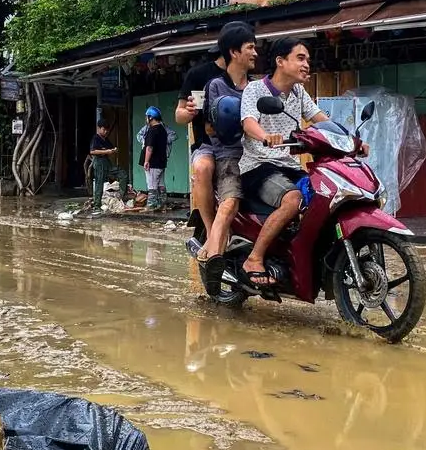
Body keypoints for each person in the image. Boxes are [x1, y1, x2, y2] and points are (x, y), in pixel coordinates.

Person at [238, 39, 365, 288]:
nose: (307, 64)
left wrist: (352, 141)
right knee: (294, 199)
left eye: (307, 59)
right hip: (258, 165)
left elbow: (321, 120)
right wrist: (265, 136)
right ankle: (254, 258)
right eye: (300, 58)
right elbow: (248, 122)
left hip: (287, 164)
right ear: (280, 61)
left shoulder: (298, 93)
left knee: (323, 197)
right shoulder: (255, 90)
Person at [175, 22, 256, 263]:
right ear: (233, 50)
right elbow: (178, 115)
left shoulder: (250, 81)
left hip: (242, 146)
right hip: (207, 144)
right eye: (250, 47)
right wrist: (188, 111)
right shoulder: (199, 75)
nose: (255, 53)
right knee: (203, 168)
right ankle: (212, 232)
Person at [88, 120, 128, 212]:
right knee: (99, 184)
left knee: (122, 174)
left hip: (107, 162)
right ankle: (97, 205)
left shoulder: (105, 139)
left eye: (107, 130)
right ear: (99, 128)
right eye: (104, 129)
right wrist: (106, 152)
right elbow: (92, 151)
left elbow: (111, 148)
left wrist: (114, 150)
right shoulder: (96, 138)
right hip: (99, 162)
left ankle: (120, 197)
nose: (106, 131)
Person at [140, 106, 168, 210]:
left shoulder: (153, 130)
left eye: (147, 117)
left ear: (151, 117)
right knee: (161, 184)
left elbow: (149, 147)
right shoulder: (162, 129)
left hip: (153, 163)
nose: (146, 119)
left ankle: (151, 206)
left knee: (151, 185)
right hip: (161, 162)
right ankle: (162, 204)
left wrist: (146, 161)